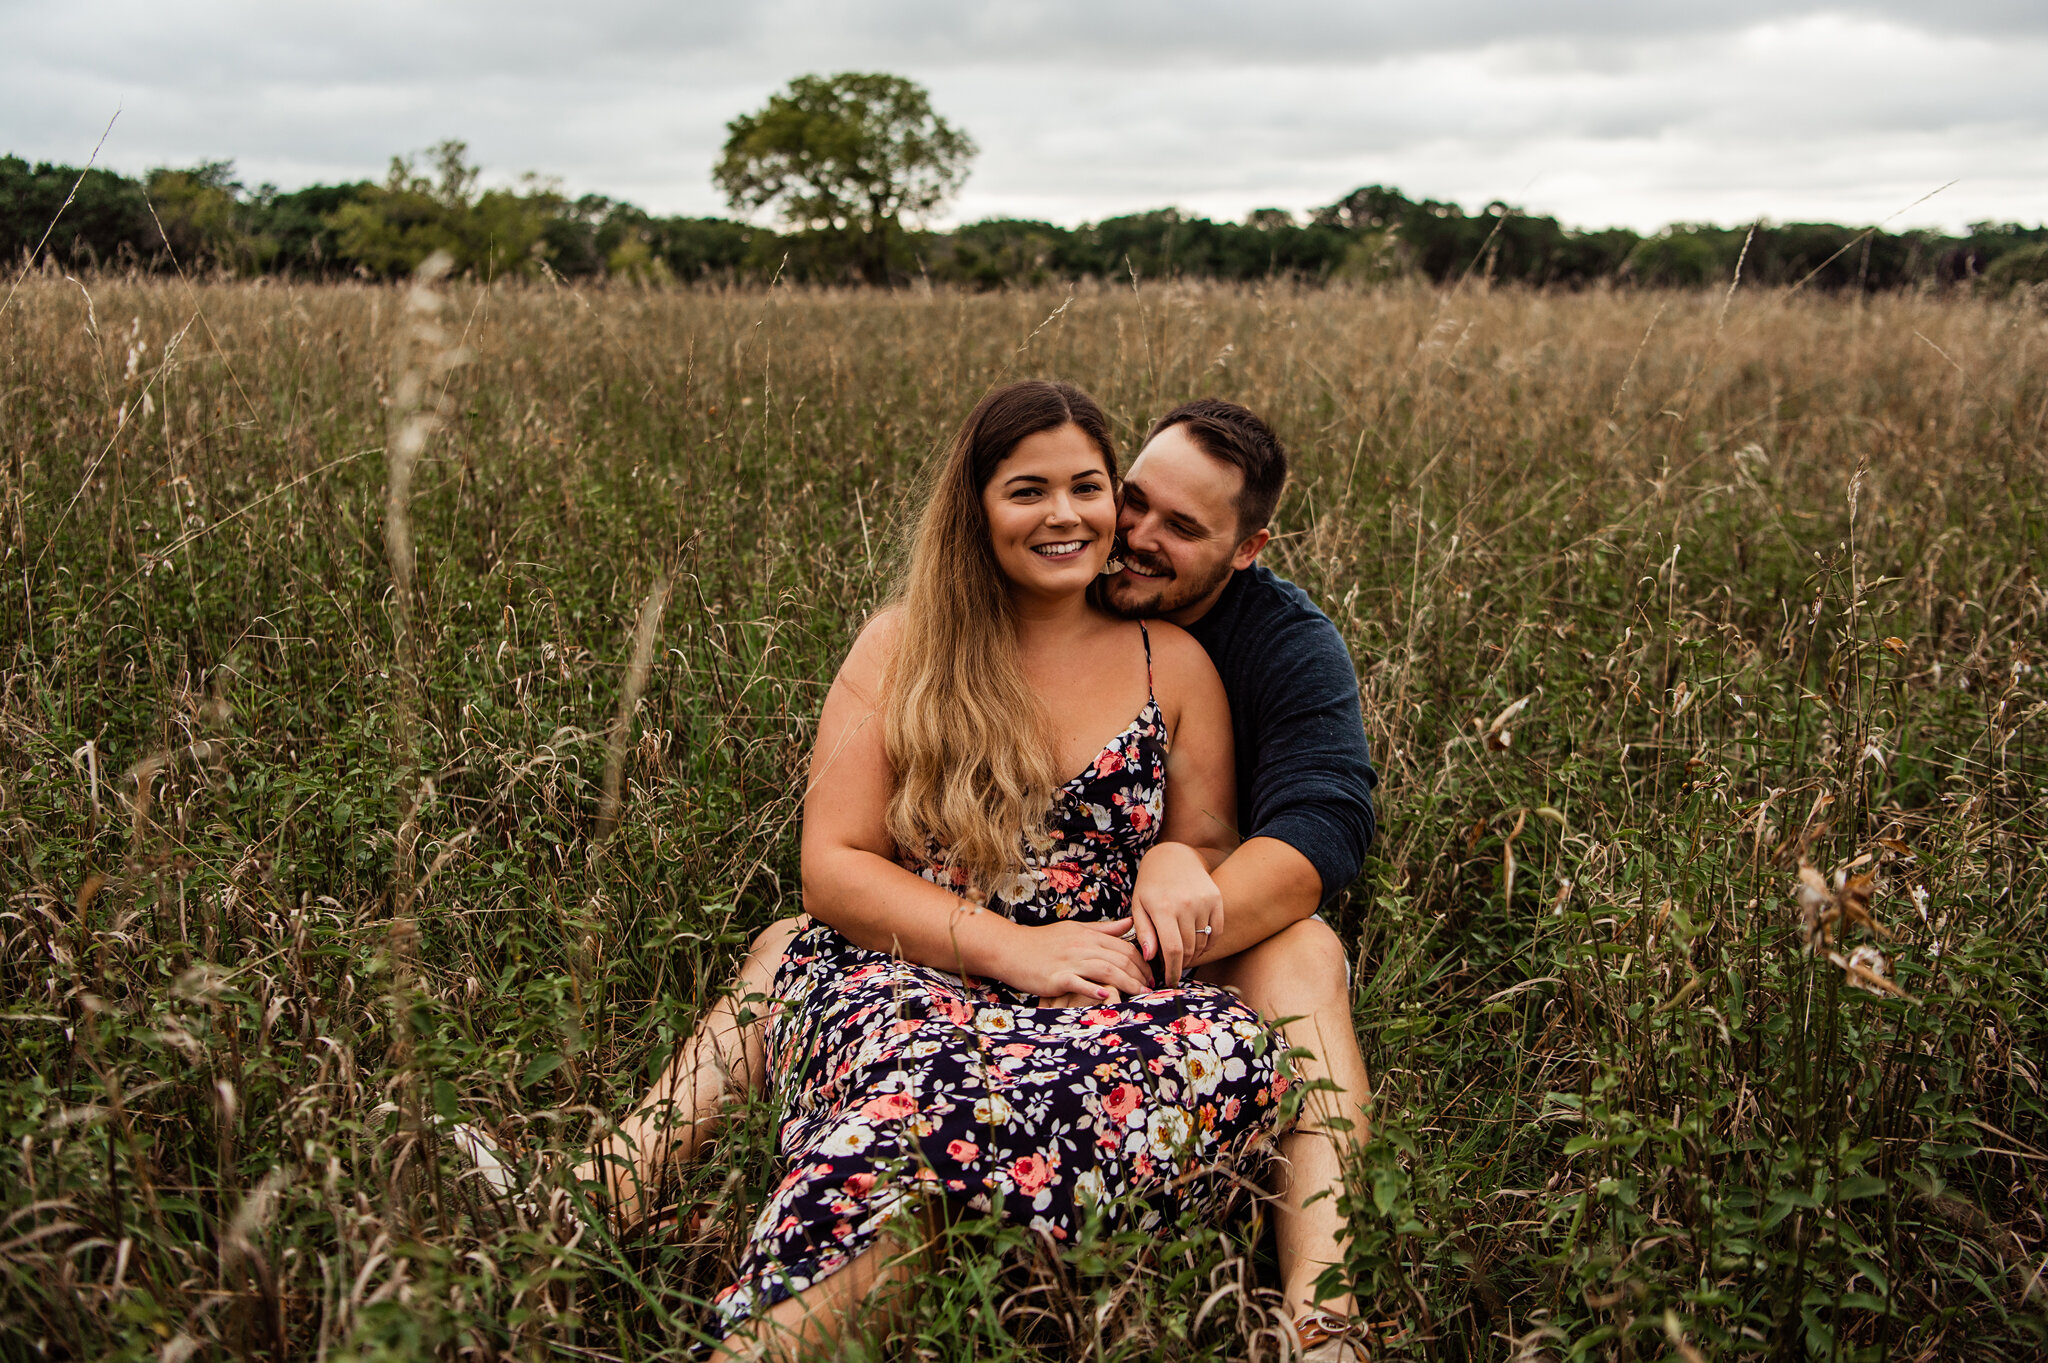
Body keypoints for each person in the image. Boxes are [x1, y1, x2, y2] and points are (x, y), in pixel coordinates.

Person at [579, 395, 1380, 1358]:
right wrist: (1019, 951)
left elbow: (1274, 830)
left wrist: (1171, 858)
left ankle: (1326, 1313)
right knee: (915, 1099)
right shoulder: (904, 645)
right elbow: (831, 865)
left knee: (1228, 1017)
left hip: (1105, 982)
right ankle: (674, 1255)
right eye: (1043, 491)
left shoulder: (1199, 658)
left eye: (1089, 488)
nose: (1098, 523)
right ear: (975, 506)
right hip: (930, 966)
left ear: (1246, 547)